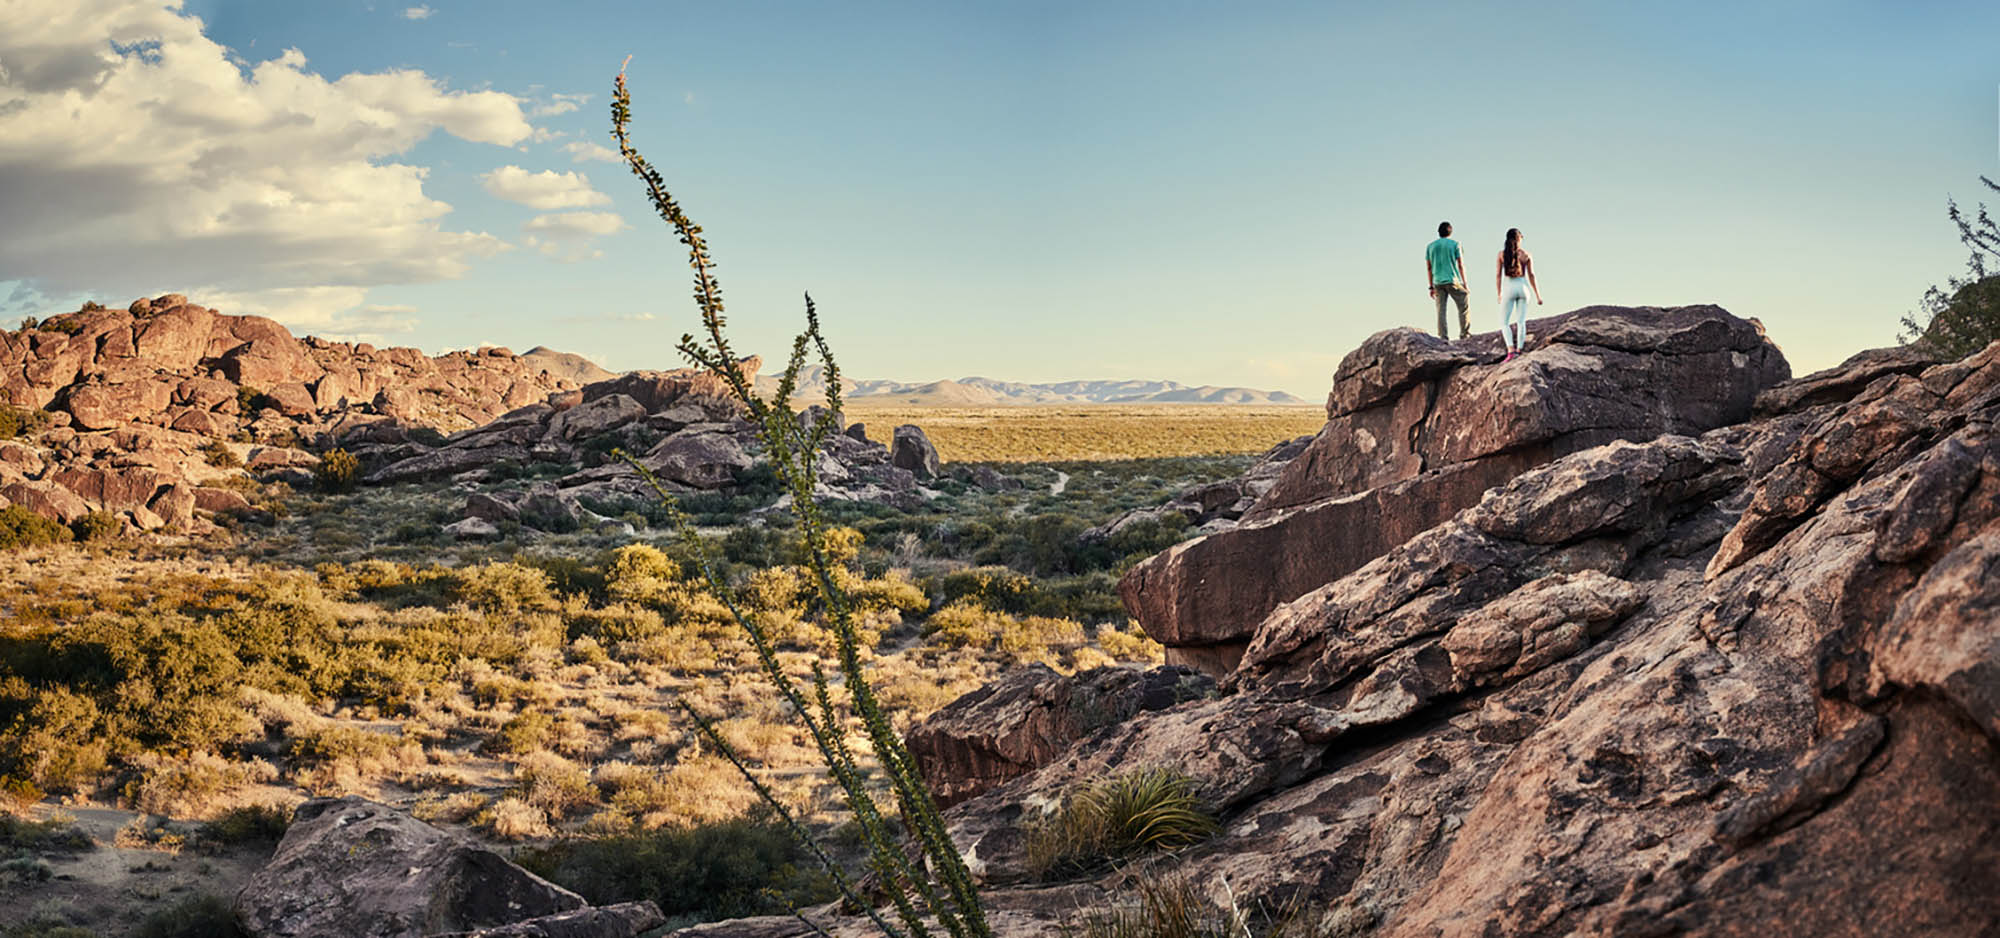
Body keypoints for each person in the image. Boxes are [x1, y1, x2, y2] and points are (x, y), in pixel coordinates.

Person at [1495, 227, 1542, 361]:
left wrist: (1499, 293)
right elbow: (1532, 275)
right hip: (1523, 287)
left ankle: (1511, 351)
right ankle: (1519, 350)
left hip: (1509, 287)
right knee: (1521, 321)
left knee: (1504, 322)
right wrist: (1538, 295)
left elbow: (1498, 275)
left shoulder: (1501, 254)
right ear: (1519, 238)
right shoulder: (1526, 255)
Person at [1426, 222, 1470, 340]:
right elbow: (1460, 265)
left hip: (1438, 282)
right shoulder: (1455, 244)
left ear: (1438, 232)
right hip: (1452, 280)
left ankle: (1443, 336)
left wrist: (1430, 286)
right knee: (1463, 305)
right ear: (1450, 232)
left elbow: (1429, 268)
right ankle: (1464, 334)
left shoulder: (1430, 246)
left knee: (1441, 310)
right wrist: (1465, 283)